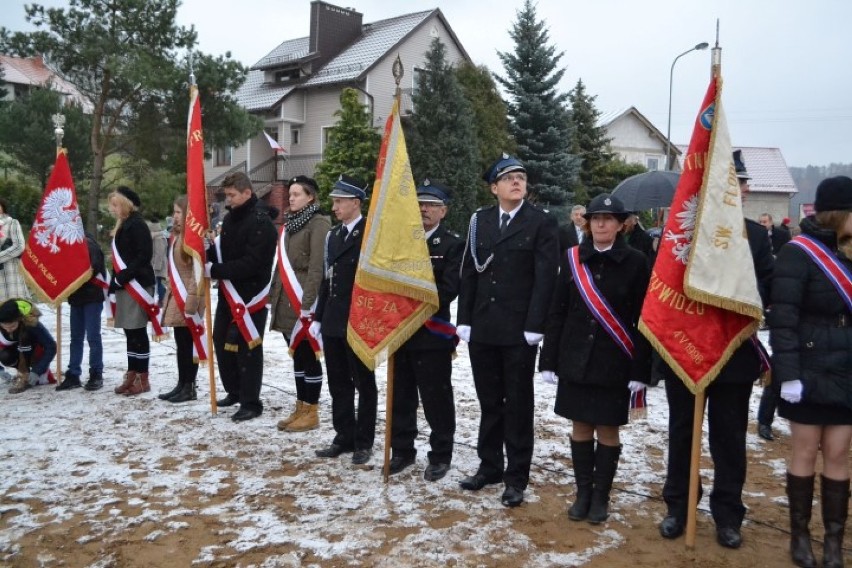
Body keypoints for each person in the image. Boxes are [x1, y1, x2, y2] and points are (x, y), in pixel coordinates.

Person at [658, 150, 774, 549]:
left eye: (738, 185)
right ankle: (678, 506)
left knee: (728, 439)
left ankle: (728, 515)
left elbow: (766, 293)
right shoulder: (682, 235)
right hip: (685, 351)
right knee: (682, 434)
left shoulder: (756, 237)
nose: (734, 190)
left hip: (733, 356)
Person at [540, 193, 651, 523]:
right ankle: (583, 492)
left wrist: (641, 367)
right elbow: (557, 311)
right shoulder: (573, 257)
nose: (601, 223)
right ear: (587, 223)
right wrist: (548, 359)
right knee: (580, 426)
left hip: (614, 360)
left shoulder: (636, 262)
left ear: (621, 225)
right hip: (575, 359)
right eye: (595, 218)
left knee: (608, 429)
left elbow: (644, 319)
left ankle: (601, 496)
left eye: (609, 218)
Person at [457, 154, 559, 507]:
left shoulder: (541, 223)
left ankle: (516, 476)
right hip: (483, 326)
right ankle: (490, 466)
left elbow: (546, 278)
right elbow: (469, 273)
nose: (517, 181)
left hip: (518, 331)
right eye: (509, 177)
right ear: (494, 187)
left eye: (521, 176)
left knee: (517, 404)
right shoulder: (479, 221)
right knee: (489, 402)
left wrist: (535, 325)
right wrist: (464, 319)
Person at [770, 175, 852, 568]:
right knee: (805, 450)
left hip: (848, 370)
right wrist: (787, 374)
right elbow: (783, 319)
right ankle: (799, 536)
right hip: (807, 366)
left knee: (838, 452)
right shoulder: (798, 253)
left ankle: (833, 542)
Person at [388, 179, 464, 481]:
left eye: (431, 205)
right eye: (420, 204)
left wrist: (412, 297)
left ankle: (440, 455)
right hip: (400, 333)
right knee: (401, 397)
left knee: (436, 399)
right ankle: (402, 451)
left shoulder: (452, 244)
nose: (424, 209)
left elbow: (448, 289)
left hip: (432, 335)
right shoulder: (400, 242)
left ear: (443, 211)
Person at [312, 175, 376, 465]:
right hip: (335, 320)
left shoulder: (371, 233)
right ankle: (344, 436)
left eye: (339, 201)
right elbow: (329, 278)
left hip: (361, 320)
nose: (334, 206)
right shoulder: (334, 235)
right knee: (338, 382)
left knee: (364, 383)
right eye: (334, 201)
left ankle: (363, 441)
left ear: (355, 202)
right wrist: (319, 315)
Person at [206, 172, 278, 422]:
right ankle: (234, 391)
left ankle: (251, 402)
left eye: (232, 195)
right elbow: (225, 253)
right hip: (229, 292)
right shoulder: (230, 219)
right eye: (227, 195)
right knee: (221, 342)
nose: (229, 200)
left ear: (247, 193)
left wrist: (215, 270)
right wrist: (208, 254)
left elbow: (252, 263)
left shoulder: (261, 222)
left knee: (248, 348)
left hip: (251, 296)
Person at [269, 176, 331, 432]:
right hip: (286, 299)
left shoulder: (319, 223)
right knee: (296, 356)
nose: (291, 198)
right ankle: (300, 405)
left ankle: (311, 410)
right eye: (290, 194)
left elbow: (318, 266)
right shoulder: (289, 224)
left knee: (308, 356)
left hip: (305, 299)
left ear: (311, 197)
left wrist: (308, 304)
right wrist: (273, 295)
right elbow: (280, 266)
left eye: (296, 194)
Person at [108, 186, 157, 397]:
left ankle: (142, 376)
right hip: (124, 284)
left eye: (116, 204)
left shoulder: (137, 225)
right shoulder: (124, 225)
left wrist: (124, 276)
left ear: (126, 204)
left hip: (137, 283)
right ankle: (132, 372)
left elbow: (144, 255)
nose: (113, 209)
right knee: (129, 331)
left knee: (137, 331)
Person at [158, 196, 204, 403]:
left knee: (187, 344)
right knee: (181, 344)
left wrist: (192, 300)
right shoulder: (177, 236)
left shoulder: (192, 239)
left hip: (187, 296)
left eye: (178, 212)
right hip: (176, 295)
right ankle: (181, 383)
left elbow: (197, 271)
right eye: (174, 212)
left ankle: (189, 386)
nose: (174, 216)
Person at [57, 231, 106, 391]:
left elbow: (93, 268)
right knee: (76, 337)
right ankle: (73, 374)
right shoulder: (67, 246)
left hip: (91, 296)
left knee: (93, 336)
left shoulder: (89, 245)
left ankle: (96, 373)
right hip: (76, 297)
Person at [0, 298, 57, 394]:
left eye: (12, 326)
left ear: (19, 319)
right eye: (5, 327)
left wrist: (37, 370)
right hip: (13, 352)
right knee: (5, 356)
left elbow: (51, 346)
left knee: (25, 336)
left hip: (33, 351)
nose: (9, 330)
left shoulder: (32, 324)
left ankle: (29, 373)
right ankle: (22, 373)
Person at [0, 198, 30, 302]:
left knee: (12, 311)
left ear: (3, 207)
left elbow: (19, 246)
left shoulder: (12, 223)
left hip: (9, 273)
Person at [147, 217, 168, 307]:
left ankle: (162, 300)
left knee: (159, 284)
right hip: (153, 264)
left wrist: (156, 267)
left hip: (158, 266)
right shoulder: (153, 237)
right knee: (154, 284)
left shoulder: (158, 238)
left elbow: (159, 253)